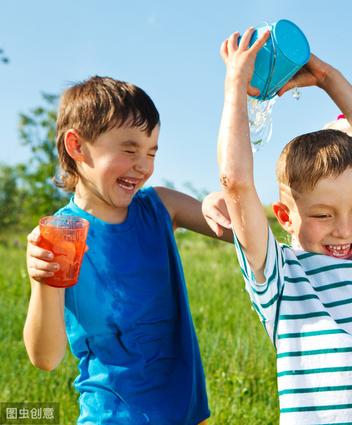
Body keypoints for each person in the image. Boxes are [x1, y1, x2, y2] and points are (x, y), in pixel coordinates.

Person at [210, 27, 352, 424]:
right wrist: (235, 85)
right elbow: (237, 183)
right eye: (322, 215)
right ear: (285, 217)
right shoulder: (280, 278)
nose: (345, 230)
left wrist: (326, 77)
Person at [24, 76, 231, 424]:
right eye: (129, 149)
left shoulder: (162, 207)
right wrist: (42, 280)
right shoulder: (59, 238)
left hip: (189, 414)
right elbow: (45, 358)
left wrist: (217, 198)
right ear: (77, 146)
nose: (144, 166)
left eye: (151, 152)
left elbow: (242, 233)